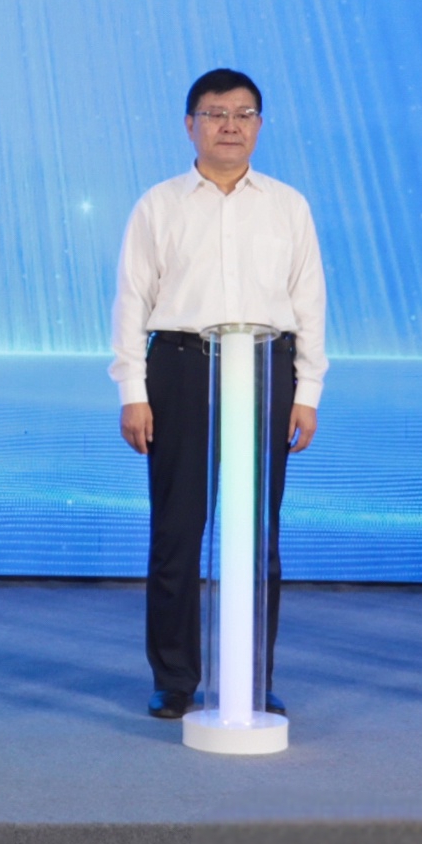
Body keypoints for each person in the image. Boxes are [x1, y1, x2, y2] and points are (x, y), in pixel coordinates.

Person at [109, 67, 326, 722]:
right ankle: (174, 677)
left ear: (259, 125)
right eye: (215, 114)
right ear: (190, 125)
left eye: (242, 114)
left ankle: (252, 675)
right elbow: (131, 302)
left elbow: (309, 303)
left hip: (265, 370)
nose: (229, 125)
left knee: (257, 534)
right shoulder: (159, 204)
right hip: (180, 368)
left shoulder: (287, 205)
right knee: (177, 530)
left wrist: (308, 389)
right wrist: (132, 389)